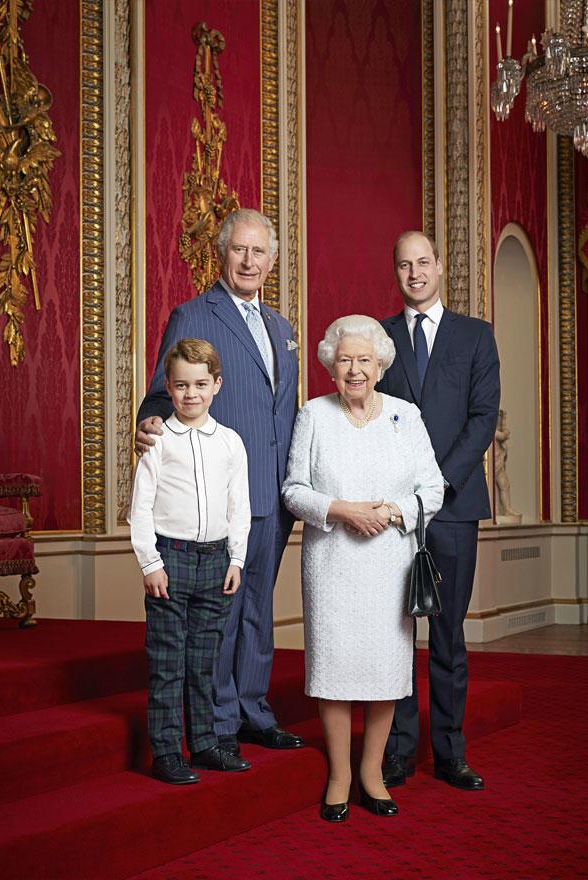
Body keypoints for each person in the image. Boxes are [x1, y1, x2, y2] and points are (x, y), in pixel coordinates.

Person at [135, 209, 304, 757]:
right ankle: (216, 723)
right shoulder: (194, 314)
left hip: (274, 494)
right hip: (221, 493)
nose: (250, 262)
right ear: (221, 253)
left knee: (258, 609)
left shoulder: (282, 328)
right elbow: (164, 392)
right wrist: (150, 422)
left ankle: (254, 709)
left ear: (272, 260)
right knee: (221, 618)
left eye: (260, 253)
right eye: (240, 250)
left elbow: (284, 412)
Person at [282, 315, 445, 822]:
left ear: (380, 365)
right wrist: (342, 510)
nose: (355, 370)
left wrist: (392, 512)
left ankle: (372, 773)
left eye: (365, 360)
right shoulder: (314, 414)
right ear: (331, 364)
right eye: (345, 360)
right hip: (331, 561)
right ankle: (339, 775)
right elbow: (293, 490)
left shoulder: (406, 415)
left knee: (384, 671)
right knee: (333, 668)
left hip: (389, 562)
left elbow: (433, 489)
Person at [378, 231, 501, 792]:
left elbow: (482, 420)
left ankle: (450, 751)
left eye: (422, 262)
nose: (414, 273)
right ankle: (399, 750)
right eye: (404, 265)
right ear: (397, 272)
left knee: (448, 634)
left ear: (440, 267)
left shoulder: (476, 336)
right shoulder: (376, 338)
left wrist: (438, 483)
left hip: (452, 507)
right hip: (395, 511)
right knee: (398, 634)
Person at [128, 338, 253, 784]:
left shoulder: (231, 443)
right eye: (181, 385)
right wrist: (149, 563)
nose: (191, 394)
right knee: (167, 661)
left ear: (217, 384)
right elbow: (139, 508)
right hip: (171, 559)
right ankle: (166, 751)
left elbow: (240, 505)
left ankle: (203, 744)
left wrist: (236, 559)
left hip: (216, 561)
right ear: (169, 386)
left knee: (203, 661)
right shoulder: (158, 441)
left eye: (201, 384)